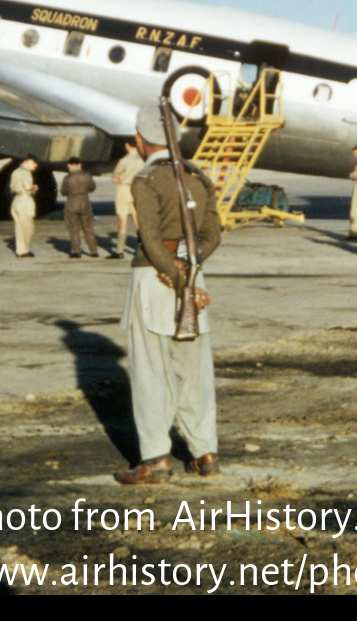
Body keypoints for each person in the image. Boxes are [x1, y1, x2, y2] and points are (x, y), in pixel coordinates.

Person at [115, 105, 222, 485]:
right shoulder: (199, 178)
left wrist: (175, 277)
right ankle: (205, 453)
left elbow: (148, 237)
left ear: (142, 141)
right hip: (195, 281)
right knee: (195, 373)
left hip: (154, 279)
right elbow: (212, 234)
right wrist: (189, 271)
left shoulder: (146, 179)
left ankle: (155, 461)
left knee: (151, 373)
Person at [109, 141, 144, 259]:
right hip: (138, 190)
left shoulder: (123, 161)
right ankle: (141, 249)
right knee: (138, 221)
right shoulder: (144, 161)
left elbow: (115, 178)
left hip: (124, 190)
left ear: (127, 145)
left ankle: (119, 251)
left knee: (122, 222)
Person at [61, 157, 99, 258]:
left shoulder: (67, 178)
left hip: (72, 202)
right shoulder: (87, 175)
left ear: (69, 165)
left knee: (73, 228)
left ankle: (76, 251)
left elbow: (63, 192)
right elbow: (92, 187)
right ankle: (94, 251)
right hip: (85, 201)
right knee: (88, 227)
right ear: (80, 165)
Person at [9, 156, 39, 258]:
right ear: (29, 161)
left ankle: (20, 250)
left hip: (16, 200)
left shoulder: (16, 171)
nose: (35, 167)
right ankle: (24, 251)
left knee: (19, 227)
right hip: (25, 200)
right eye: (34, 164)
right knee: (28, 227)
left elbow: (12, 189)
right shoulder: (26, 172)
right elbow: (27, 187)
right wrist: (35, 187)